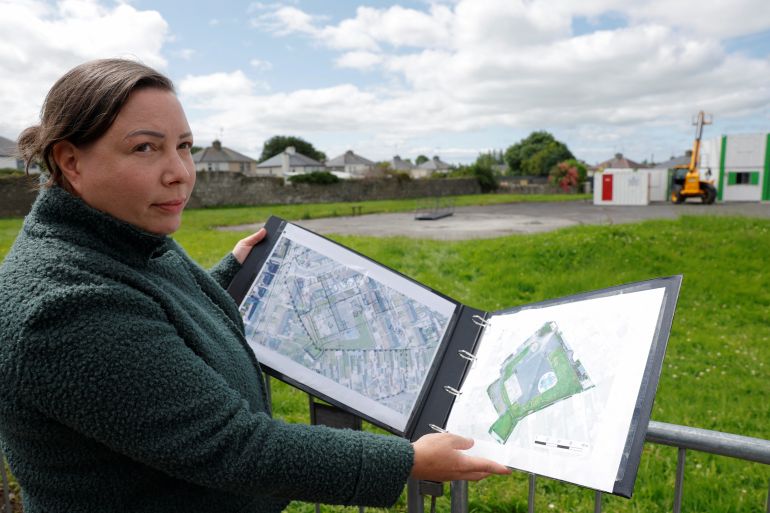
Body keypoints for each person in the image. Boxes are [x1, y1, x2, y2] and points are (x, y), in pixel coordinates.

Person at [0, 59, 509, 513]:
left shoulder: (123, 233)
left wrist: (230, 273)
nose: (179, 173)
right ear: (70, 161)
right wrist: (407, 461)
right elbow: (231, 447)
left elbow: (149, 317)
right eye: (145, 149)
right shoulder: (64, 307)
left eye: (184, 147)